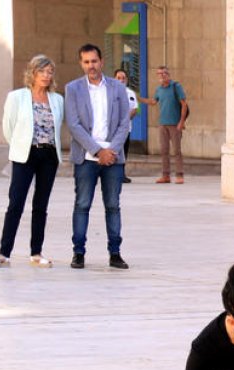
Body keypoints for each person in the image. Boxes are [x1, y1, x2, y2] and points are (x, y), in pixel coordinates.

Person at [0, 54, 63, 269]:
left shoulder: (57, 100)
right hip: (25, 155)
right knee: (16, 203)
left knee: (41, 205)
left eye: (50, 72)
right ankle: (4, 252)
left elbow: (58, 128)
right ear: (32, 72)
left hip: (49, 156)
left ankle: (36, 252)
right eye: (43, 71)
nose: (47, 76)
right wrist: (19, 146)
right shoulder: (17, 97)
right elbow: (8, 127)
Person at [64, 44, 131, 270]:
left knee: (113, 205)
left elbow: (124, 122)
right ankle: (79, 252)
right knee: (82, 204)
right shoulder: (72, 89)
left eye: (94, 61)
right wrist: (97, 151)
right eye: (86, 62)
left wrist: (111, 150)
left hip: (113, 157)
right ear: (81, 64)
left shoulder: (117, 88)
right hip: (86, 158)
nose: (91, 66)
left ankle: (115, 253)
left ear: (101, 62)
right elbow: (73, 124)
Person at [141, 65, 187, 184]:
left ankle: (179, 175)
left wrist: (181, 122)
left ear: (168, 75)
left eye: (164, 73)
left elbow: (184, 104)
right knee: (164, 150)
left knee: (177, 150)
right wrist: (139, 99)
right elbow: (153, 102)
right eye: (159, 74)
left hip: (175, 124)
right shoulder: (159, 89)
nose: (161, 76)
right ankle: (165, 175)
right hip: (162, 124)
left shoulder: (176, 87)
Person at [113, 68, 138, 184]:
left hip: (126, 128)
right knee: (114, 151)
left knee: (124, 151)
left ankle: (121, 174)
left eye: (123, 78)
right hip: (113, 129)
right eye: (119, 78)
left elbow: (135, 108)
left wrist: (125, 119)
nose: (121, 80)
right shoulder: (110, 92)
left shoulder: (131, 93)